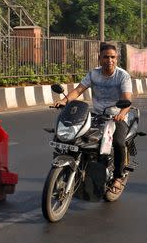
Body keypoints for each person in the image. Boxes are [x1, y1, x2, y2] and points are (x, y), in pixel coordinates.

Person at [55, 43, 133, 196]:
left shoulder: (122, 76)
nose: (109, 60)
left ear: (116, 59)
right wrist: (65, 101)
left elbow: (127, 100)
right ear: (99, 58)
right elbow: (78, 90)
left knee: (118, 143)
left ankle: (118, 176)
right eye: (106, 57)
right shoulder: (94, 74)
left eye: (113, 57)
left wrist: (122, 113)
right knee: (76, 137)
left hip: (117, 116)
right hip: (97, 115)